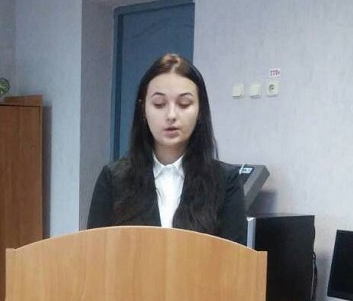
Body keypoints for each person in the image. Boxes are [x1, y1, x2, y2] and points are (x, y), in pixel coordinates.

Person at [87, 53, 247, 244]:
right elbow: (95, 253)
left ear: (200, 111)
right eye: (159, 104)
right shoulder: (113, 179)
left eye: (184, 104)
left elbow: (235, 258)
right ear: (143, 110)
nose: (171, 115)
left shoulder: (226, 182)